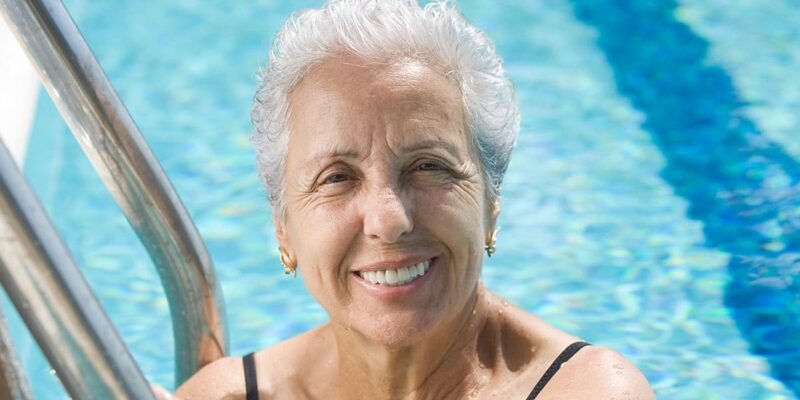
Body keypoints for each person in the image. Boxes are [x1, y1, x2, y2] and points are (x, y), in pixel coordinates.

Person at [171, 0, 655, 398]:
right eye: (337, 177)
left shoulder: (586, 389)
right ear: (284, 228)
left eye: (429, 167)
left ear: (490, 202)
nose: (388, 218)